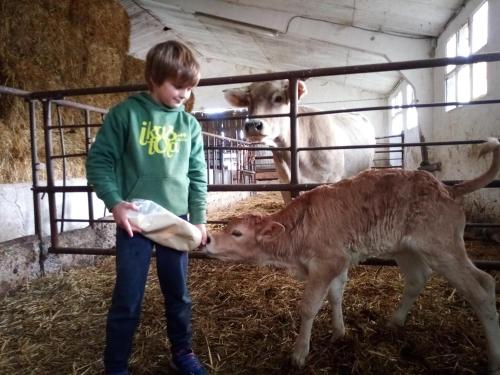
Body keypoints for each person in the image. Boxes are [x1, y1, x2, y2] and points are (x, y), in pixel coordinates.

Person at [86, 40, 208, 375]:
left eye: (189, 88)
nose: (184, 95)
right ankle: (115, 365)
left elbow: (198, 174)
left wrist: (199, 220)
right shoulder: (125, 114)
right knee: (127, 296)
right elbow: (99, 161)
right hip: (135, 221)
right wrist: (115, 204)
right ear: (154, 78)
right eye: (177, 86)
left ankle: (182, 351)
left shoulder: (189, 126)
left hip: (176, 220)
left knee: (179, 293)